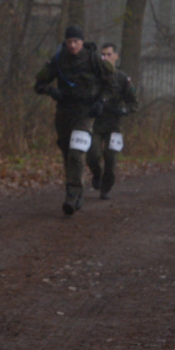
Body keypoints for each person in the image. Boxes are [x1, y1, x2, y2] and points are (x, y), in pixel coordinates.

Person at [33, 25, 116, 215]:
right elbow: (38, 84)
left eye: (76, 41)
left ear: (82, 41)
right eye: (69, 41)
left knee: (77, 153)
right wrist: (51, 91)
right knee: (66, 152)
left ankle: (72, 195)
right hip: (64, 112)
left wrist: (101, 101)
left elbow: (111, 84)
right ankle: (76, 189)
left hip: (86, 113)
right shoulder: (58, 58)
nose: (72, 45)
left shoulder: (94, 58)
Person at [86, 43, 139, 200]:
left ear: (116, 56)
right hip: (95, 123)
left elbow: (134, 102)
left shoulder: (122, 78)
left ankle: (106, 187)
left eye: (109, 54)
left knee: (111, 158)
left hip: (114, 124)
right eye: (103, 55)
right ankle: (97, 174)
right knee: (92, 155)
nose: (106, 58)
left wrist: (124, 110)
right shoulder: (95, 76)